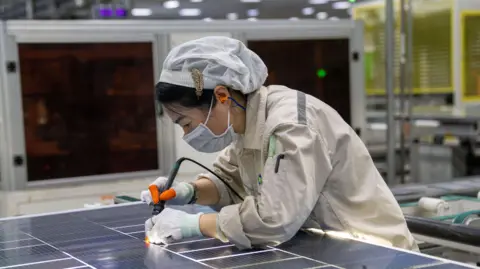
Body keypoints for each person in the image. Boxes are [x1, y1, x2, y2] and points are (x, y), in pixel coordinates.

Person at [141, 36, 418, 251]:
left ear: (222, 96)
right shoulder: (247, 123)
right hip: (331, 248)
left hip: (374, 252)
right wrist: (186, 191)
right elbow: (229, 180)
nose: (188, 134)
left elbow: (274, 219)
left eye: (187, 123)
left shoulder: (290, 126)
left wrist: (193, 225)